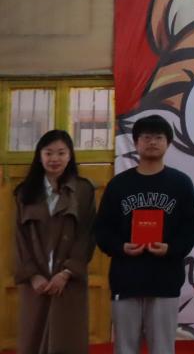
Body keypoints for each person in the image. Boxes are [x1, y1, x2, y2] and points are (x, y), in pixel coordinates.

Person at [94, 114, 194, 354]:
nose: (152, 142)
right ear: (135, 142)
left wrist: (171, 249)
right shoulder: (119, 184)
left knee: (162, 348)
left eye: (158, 137)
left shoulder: (181, 183)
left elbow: (190, 227)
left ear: (168, 143)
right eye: (146, 137)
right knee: (124, 348)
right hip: (126, 278)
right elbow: (102, 229)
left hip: (165, 279)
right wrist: (121, 247)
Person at [13, 129, 96, 354]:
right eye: (48, 153)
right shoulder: (25, 192)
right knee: (33, 339)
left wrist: (67, 272)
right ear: (39, 156)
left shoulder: (83, 190)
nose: (54, 159)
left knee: (66, 340)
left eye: (61, 153)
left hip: (69, 281)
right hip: (37, 282)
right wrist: (32, 275)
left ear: (70, 155)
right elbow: (20, 238)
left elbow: (87, 235)